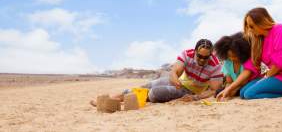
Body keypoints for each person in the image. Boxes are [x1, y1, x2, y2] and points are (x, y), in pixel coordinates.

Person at [217, 7, 282, 101]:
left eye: (251, 26)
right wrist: (229, 89)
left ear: (261, 22)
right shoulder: (259, 41)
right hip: (277, 76)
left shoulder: (279, 30)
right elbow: (250, 68)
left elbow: (280, 63)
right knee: (243, 93)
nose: (249, 30)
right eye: (248, 27)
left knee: (250, 94)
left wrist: (265, 78)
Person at [91, 39, 223, 106]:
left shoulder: (215, 65)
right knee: (147, 86)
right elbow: (174, 71)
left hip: (191, 91)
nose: (202, 60)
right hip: (179, 83)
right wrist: (174, 78)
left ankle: (123, 102)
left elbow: (213, 90)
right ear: (195, 52)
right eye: (199, 56)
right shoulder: (187, 54)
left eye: (206, 57)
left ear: (210, 55)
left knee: (154, 93)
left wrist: (195, 98)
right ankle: (110, 100)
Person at [213, 32, 257, 98]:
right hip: (236, 86)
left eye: (235, 56)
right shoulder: (227, 63)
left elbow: (244, 81)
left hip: (248, 83)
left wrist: (231, 90)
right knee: (218, 93)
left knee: (243, 92)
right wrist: (226, 91)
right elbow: (229, 82)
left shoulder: (247, 61)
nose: (232, 58)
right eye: (229, 56)